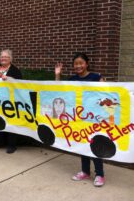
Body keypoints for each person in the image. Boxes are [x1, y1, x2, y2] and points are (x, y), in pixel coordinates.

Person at [55, 52, 105, 187]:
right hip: (78, 118)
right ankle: (85, 171)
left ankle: (100, 174)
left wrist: (103, 83)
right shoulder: (72, 79)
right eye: (76, 64)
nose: (78, 66)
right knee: (83, 144)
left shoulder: (96, 77)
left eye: (81, 63)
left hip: (94, 119)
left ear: (86, 64)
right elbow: (59, 90)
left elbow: (106, 93)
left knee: (95, 145)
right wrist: (58, 74)